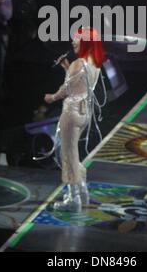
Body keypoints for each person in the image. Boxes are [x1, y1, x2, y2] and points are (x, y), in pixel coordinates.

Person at [44, 27, 105, 213]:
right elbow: (79, 83)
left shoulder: (78, 64)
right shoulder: (94, 62)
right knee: (72, 152)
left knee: (67, 155)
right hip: (85, 113)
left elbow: (67, 90)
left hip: (72, 113)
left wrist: (52, 97)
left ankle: (73, 199)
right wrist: (66, 68)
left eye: (76, 39)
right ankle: (83, 192)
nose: (73, 42)